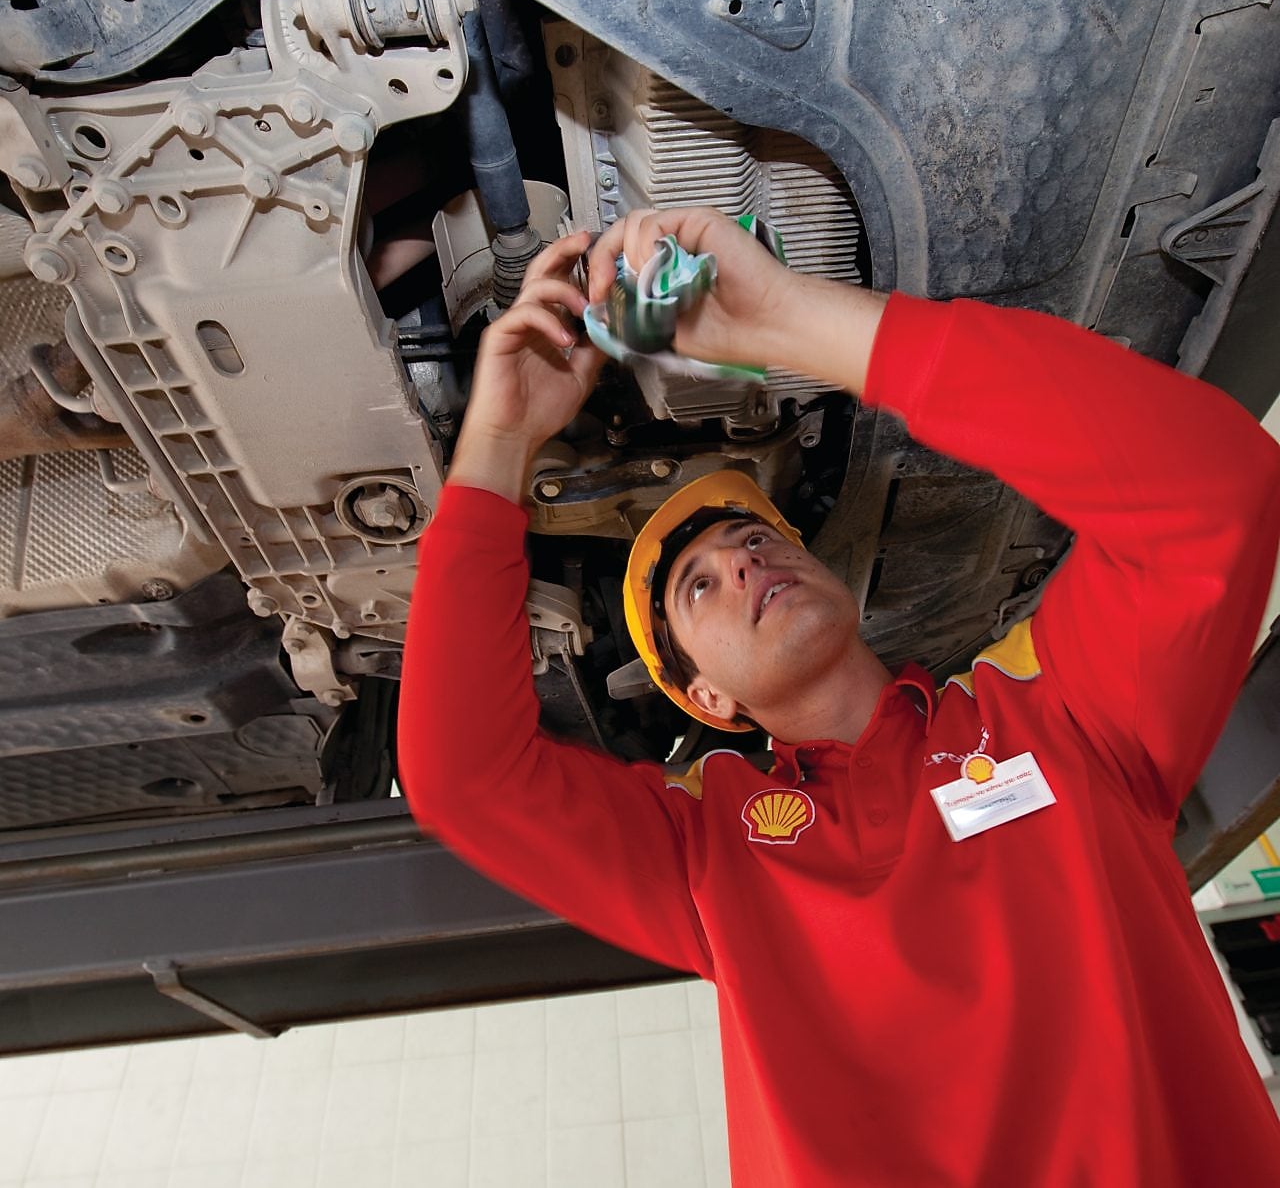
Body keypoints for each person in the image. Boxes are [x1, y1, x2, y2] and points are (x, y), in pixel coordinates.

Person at [398, 207, 1280, 1187]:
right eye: (698, 585)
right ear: (705, 696)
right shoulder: (706, 864)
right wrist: (498, 439)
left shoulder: (1061, 722)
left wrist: (788, 321)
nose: (740, 559)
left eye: (757, 539)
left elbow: (1213, 494)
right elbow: (462, 776)